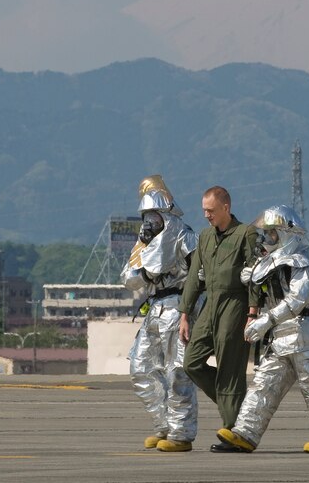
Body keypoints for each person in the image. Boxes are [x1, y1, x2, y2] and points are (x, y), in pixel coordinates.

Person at [216, 204, 309, 454]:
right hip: (280, 338)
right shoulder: (271, 264)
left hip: (302, 336)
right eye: (267, 233)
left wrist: (264, 321)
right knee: (263, 386)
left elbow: (296, 302)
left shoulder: (302, 265)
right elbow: (255, 284)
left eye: (272, 233)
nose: (267, 238)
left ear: (285, 234)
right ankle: (245, 433)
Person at [121, 175, 200, 452]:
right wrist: (142, 267)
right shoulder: (145, 243)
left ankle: (181, 433)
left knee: (177, 371)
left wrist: (190, 312)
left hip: (179, 308)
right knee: (140, 368)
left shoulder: (186, 236)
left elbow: (201, 276)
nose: (149, 222)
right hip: (154, 308)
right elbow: (128, 278)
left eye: (153, 216)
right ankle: (164, 425)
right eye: (146, 217)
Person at [178, 186, 259, 452]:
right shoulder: (204, 237)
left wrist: (253, 313)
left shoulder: (245, 234)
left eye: (210, 211)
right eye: (203, 211)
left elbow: (255, 275)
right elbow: (193, 277)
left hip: (235, 304)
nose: (206, 215)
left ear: (226, 207)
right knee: (191, 362)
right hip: (210, 303)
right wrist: (184, 314)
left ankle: (234, 430)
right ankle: (238, 406)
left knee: (230, 368)